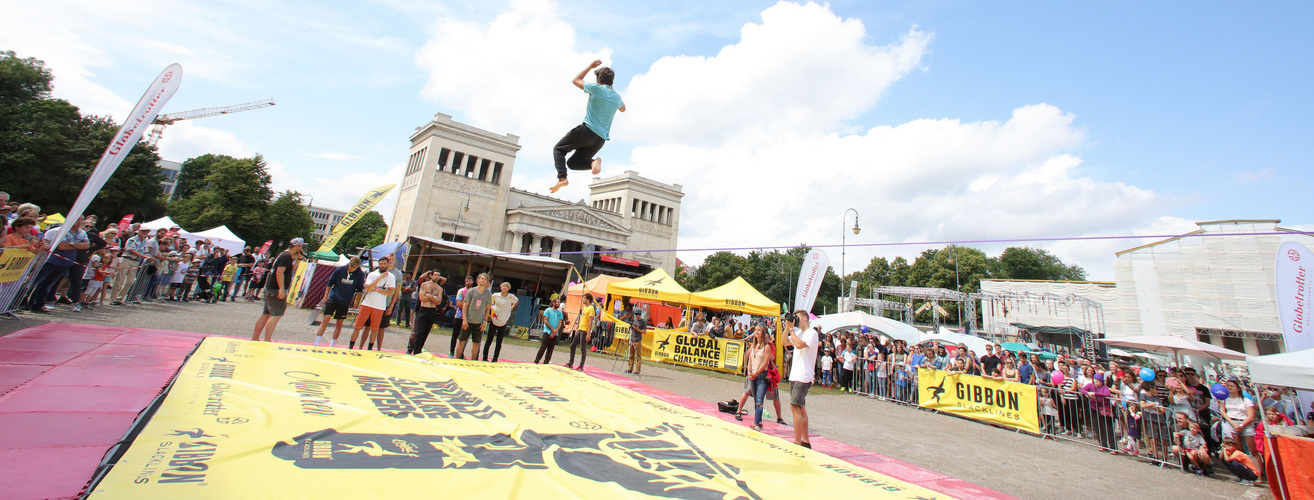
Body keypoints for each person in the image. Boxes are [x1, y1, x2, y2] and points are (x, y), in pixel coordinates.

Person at [549, 60, 626, 194]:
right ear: (612, 81)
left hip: (586, 131)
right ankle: (593, 163)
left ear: (598, 79)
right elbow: (623, 109)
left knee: (559, 149)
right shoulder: (616, 97)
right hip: (599, 140)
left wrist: (590, 66)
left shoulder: (596, 88)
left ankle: (562, 178)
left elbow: (576, 80)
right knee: (573, 163)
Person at [251, 238, 304, 342]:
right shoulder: (286, 256)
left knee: (266, 314)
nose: (301, 248)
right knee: (276, 314)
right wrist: (281, 289)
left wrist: (299, 260)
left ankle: (255, 338)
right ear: (297, 246)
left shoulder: (283, 254)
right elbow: (279, 273)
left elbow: (289, 270)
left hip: (271, 286)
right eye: (301, 246)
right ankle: (267, 339)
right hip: (276, 288)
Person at [735, 325, 781, 431]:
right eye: (755, 330)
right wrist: (750, 371)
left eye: (759, 330)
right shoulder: (754, 346)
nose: (757, 332)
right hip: (753, 376)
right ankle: (758, 422)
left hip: (762, 376)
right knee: (755, 399)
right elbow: (750, 359)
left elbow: (766, 362)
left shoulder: (767, 347)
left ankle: (756, 422)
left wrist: (757, 372)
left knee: (760, 400)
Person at [315, 257, 365, 347]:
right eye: (351, 267)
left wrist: (357, 302)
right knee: (325, 319)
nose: (351, 269)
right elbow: (330, 283)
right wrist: (326, 296)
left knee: (339, 323)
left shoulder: (360, 274)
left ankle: (332, 344)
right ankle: (316, 343)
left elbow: (360, 289)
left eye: (354, 268)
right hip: (334, 298)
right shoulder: (340, 270)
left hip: (345, 301)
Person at [786, 311, 818, 448]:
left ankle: (797, 441)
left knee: (795, 406)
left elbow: (799, 345)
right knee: (800, 407)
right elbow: (783, 342)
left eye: (797, 318)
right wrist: (787, 328)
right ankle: (805, 440)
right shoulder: (797, 332)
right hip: (795, 374)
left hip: (804, 375)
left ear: (805, 318)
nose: (796, 320)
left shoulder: (811, 333)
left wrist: (792, 329)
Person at [349, 256, 396, 350]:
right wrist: (379, 279)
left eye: (384, 264)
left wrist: (377, 289)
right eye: (381, 264)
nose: (382, 266)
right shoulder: (372, 274)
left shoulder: (391, 277)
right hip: (367, 304)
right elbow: (368, 289)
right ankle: (351, 346)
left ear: (387, 264)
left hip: (379, 306)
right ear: (378, 264)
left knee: (374, 328)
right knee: (358, 326)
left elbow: (390, 292)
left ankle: (370, 347)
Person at [408, 271, 447, 355]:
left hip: (432, 311)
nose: (436, 277)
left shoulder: (439, 288)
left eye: (438, 275)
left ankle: (419, 349)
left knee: (426, 332)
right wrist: (434, 298)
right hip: (423, 309)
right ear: (431, 276)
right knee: (418, 331)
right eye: (435, 275)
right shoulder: (424, 284)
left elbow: (438, 302)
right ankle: (414, 349)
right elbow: (422, 298)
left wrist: (429, 296)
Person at [454, 273, 492, 360]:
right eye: (481, 278)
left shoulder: (488, 294)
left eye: (485, 279)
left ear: (487, 282)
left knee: (476, 343)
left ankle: (473, 361)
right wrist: (464, 320)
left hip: (479, 322)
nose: (483, 280)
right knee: (462, 341)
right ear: (477, 280)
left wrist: (485, 321)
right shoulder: (471, 291)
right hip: (468, 320)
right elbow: (465, 305)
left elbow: (487, 309)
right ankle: (456, 359)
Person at [482, 281, 519, 362]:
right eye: (503, 286)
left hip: (503, 320)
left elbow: (516, 302)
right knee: (489, 339)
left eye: (506, 287)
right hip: (495, 318)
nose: (505, 288)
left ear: (508, 289)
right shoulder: (495, 295)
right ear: (500, 287)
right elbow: (489, 303)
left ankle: (495, 358)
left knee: (499, 341)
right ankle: (485, 357)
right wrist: (492, 310)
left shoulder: (511, 297)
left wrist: (511, 309)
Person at [565, 293, 596, 371]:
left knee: (583, 348)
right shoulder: (585, 307)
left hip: (585, 330)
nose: (583, 300)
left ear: (588, 300)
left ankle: (581, 366)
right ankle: (570, 363)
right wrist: (578, 328)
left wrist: (589, 333)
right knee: (572, 346)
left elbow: (590, 321)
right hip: (580, 329)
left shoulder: (591, 308)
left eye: (584, 298)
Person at [535, 295, 565, 364]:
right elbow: (545, 321)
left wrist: (555, 331)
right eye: (557, 302)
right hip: (547, 331)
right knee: (543, 347)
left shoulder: (559, 313)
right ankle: (537, 360)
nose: (558, 303)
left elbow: (560, 323)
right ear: (553, 303)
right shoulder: (548, 310)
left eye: (559, 302)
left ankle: (546, 362)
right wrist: (552, 329)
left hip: (555, 333)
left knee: (550, 349)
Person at [450, 276, 473, 357]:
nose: (468, 282)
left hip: (470, 317)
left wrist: (466, 304)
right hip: (459, 316)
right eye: (466, 281)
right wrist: (467, 304)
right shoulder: (461, 291)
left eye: (469, 281)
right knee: (455, 335)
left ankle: (460, 353)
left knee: (464, 338)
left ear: (473, 282)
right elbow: (458, 304)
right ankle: (452, 351)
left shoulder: (474, 291)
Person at [625, 305, 647, 375]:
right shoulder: (633, 320)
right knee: (631, 355)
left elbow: (644, 332)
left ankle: (637, 369)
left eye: (638, 315)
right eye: (636, 315)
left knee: (638, 356)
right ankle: (630, 368)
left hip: (638, 340)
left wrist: (637, 329)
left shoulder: (643, 322)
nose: (637, 316)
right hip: (632, 339)